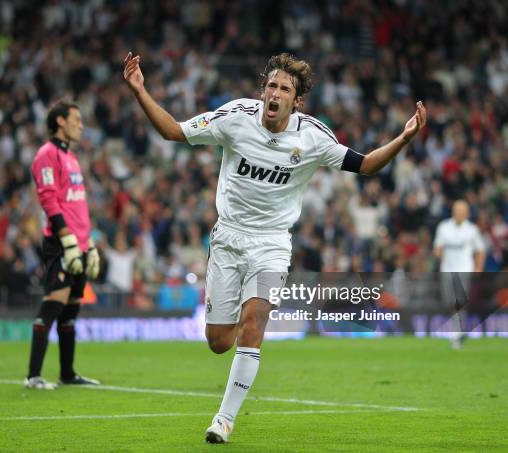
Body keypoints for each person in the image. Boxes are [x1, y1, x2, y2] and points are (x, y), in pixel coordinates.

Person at [124, 51, 427, 443]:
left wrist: (403, 138)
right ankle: (231, 342)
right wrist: (139, 91)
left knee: (255, 324)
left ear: (296, 100)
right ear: (262, 91)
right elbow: (173, 131)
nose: (275, 93)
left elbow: (366, 164)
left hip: (272, 245)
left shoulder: (313, 136)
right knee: (219, 342)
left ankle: (224, 419)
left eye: (284, 88)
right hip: (229, 239)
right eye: (271, 85)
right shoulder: (235, 118)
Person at [24, 99, 101, 389]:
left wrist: (88, 242)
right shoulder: (47, 154)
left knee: (71, 310)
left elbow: (78, 205)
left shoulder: (71, 157)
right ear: (60, 122)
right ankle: (33, 376)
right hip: (60, 241)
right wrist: (67, 239)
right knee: (52, 305)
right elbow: (48, 198)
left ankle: (67, 374)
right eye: (76, 120)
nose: (81, 125)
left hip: (79, 242)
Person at [433, 199, 485, 349]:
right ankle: (457, 330)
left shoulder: (472, 229)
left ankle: (457, 333)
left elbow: (480, 249)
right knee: (449, 303)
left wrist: (479, 267)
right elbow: (437, 248)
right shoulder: (444, 227)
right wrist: (441, 258)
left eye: (462, 211)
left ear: (467, 213)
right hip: (447, 270)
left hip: (464, 270)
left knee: (460, 302)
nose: (460, 214)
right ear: (453, 212)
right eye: (457, 211)